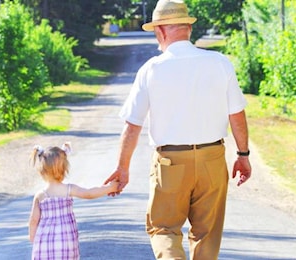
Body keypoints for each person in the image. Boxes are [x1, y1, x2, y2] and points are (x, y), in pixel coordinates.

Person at [103, 0, 252, 259]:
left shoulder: (152, 69)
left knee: (163, 229)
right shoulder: (219, 62)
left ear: (161, 31)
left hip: (170, 163)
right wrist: (243, 155)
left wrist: (123, 168)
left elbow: (133, 125)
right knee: (207, 233)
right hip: (212, 159)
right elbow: (236, 114)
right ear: (187, 29)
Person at [28, 142, 119, 260]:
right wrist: (109, 188)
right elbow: (89, 193)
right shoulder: (69, 189)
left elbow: (33, 221)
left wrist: (34, 239)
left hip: (44, 245)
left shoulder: (40, 195)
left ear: (42, 171)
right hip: (67, 243)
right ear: (64, 169)